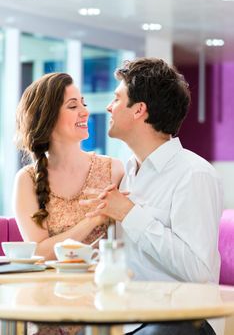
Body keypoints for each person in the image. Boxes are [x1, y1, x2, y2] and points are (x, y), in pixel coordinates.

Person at [80, 58, 223, 335]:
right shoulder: (131, 171)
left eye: (117, 98)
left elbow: (198, 270)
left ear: (139, 110)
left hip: (184, 322)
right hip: (134, 319)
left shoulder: (193, 174)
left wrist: (130, 214)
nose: (109, 107)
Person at [13, 72, 124, 335]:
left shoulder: (114, 170)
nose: (84, 112)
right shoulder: (27, 180)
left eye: (83, 103)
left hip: (103, 306)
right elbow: (40, 252)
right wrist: (94, 220)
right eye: (73, 106)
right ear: (47, 117)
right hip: (45, 308)